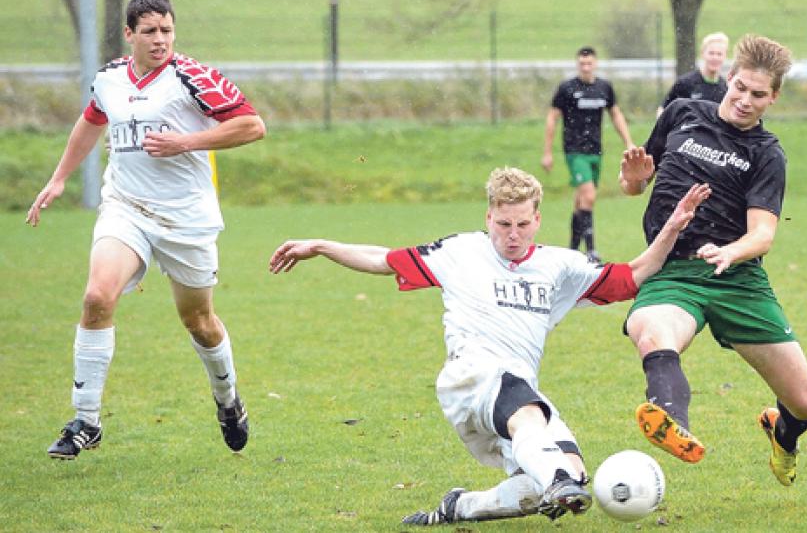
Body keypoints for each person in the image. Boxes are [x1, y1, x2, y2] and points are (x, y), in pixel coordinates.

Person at [269, 168, 709, 525]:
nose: (512, 235)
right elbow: (382, 260)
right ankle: (555, 477)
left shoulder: (560, 266)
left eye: (521, 224)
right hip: (472, 378)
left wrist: (672, 227)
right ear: (488, 218)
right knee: (548, 456)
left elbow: (631, 276)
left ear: (537, 220)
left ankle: (461, 507)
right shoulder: (460, 252)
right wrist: (323, 246)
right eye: (503, 224)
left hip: (518, 393)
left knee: (567, 475)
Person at [26, 0, 266, 459]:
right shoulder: (110, 79)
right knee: (97, 296)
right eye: (151, 32)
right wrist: (58, 180)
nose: (161, 40)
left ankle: (228, 400)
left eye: (168, 30)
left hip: (185, 219)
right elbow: (91, 121)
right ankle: (86, 421)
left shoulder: (192, 76)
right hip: (126, 208)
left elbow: (252, 126)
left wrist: (186, 142)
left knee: (199, 322)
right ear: (129, 34)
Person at [618, 34, 807, 487]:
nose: (745, 101)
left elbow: (763, 233)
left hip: (736, 277)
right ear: (728, 78)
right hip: (672, 268)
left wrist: (731, 251)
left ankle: (781, 433)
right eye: (740, 88)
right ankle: (671, 421)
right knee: (652, 332)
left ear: (773, 97)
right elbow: (637, 183)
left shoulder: (766, 154)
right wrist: (632, 181)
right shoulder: (681, 114)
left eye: (758, 95)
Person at [542, 46, 634, 262]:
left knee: (581, 201)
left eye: (589, 63)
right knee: (590, 196)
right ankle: (591, 250)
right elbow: (552, 119)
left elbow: (616, 114)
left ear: (595, 63)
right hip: (575, 151)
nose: (585, 67)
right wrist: (547, 152)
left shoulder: (604, 87)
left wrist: (628, 142)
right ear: (577, 64)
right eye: (582, 64)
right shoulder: (567, 89)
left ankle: (572, 251)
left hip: (596, 151)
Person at [657, 32, 730, 118]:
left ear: (725, 56)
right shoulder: (685, 83)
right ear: (703, 54)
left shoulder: (726, 89)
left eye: (719, 54)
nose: (715, 58)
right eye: (711, 53)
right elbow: (663, 110)